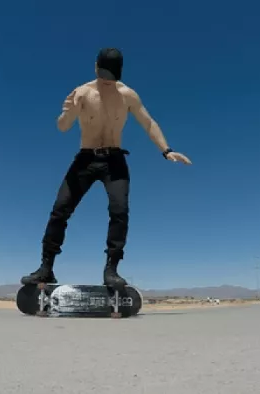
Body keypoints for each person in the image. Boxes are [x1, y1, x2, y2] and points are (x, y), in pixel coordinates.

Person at [20, 47, 192, 288]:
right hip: (85, 159)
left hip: (114, 160)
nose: (106, 82)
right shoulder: (82, 92)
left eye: (110, 77)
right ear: (95, 68)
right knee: (60, 210)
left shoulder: (128, 95)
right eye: (102, 75)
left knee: (119, 211)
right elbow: (63, 126)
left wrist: (166, 150)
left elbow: (148, 122)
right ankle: (46, 267)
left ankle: (111, 270)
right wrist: (68, 112)